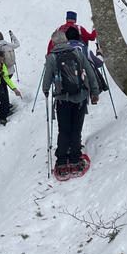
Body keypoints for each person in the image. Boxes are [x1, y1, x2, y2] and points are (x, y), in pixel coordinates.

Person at [41, 27, 99, 180]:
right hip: (80, 98)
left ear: (54, 43)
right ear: (66, 41)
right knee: (76, 128)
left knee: (64, 129)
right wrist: (94, 92)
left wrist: (46, 90)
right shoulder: (77, 53)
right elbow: (90, 73)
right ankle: (75, 158)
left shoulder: (51, 58)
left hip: (62, 99)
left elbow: (46, 79)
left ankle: (61, 161)